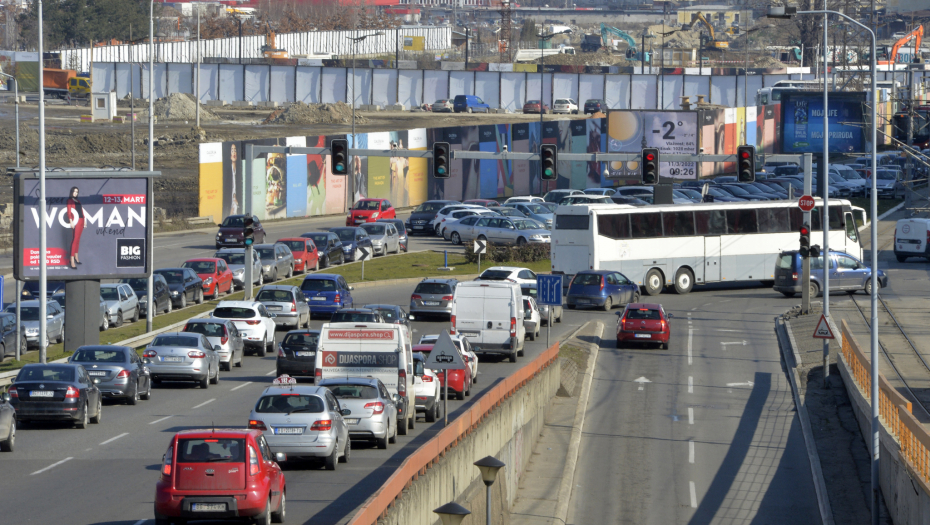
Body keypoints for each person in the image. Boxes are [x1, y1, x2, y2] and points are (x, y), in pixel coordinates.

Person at [66, 186, 86, 269]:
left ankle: (76, 257)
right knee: (75, 239)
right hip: (75, 220)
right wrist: (71, 221)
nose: (75, 193)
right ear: (71, 192)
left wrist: (84, 221)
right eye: (74, 191)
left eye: (77, 192)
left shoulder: (78, 201)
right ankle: (71, 260)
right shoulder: (69, 200)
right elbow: (69, 211)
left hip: (81, 220)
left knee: (78, 239)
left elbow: (81, 211)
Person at [228, 144, 239, 216]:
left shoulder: (238, 170)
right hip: (231, 201)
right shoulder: (228, 171)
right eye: (232, 151)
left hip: (235, 201)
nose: (234, 153)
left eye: (235, 150)